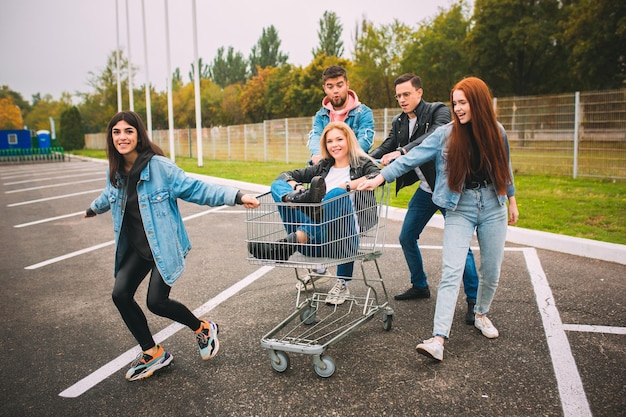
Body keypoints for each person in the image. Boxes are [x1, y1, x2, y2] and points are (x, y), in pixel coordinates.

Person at [84, 111, 259, 381]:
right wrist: (93, 209)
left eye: (128, 131)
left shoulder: (159, 168)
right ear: (111, 137)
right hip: (137, 248)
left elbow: (197, 188)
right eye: (116, 132)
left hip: (163, 246)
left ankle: (202, 328)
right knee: (120, 294)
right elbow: (109, 195)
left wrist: (237, 195)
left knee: (156, 302)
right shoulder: (115, 173)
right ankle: (152, 353)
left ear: (138, 134)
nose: (122, 137)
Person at [359, 77, 519, 361]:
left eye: (462, 103)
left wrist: (512, 201)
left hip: (493, 206)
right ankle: (438, 339)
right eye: (455, 103)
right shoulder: (446, 134)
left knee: (491, 270)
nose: (457, 109)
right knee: (450, 271)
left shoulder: (497, 131)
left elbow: (504, 167)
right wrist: (380, 177)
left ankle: (481, 314)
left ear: (478, 103)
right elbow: (412, 157)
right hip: (460, 206)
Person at [369, 73, 479, 325]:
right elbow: (385, 147)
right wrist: (362, 160)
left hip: (450, 189)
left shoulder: (438, 111)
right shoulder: (399, 122)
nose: (402, 99)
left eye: (406, 94)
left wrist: (403, 150)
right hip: (427, 191)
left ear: (419, 92)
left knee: (461, 247)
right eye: (398, 96)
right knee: (406, 236)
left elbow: (437, 135)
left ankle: (473, 301)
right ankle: (420, 285)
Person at [249, 121, 381, 305]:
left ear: (349, 140)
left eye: (339, 139)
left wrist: (347, 185)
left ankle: (289, 245)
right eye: (329, 141)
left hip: (341, 240)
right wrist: (296, 188)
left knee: (336, 193)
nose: (334, 145)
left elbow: (377, 177)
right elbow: (285, 175)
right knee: (276, 185)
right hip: (314, 241)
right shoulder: (323, 167)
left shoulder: (362, 164)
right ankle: (297, 202)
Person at [307, 65, 375, 165]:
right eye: (330, 87)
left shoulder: (363, 112)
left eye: (339, 85)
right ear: (324, 88)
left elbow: (365, 140)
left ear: (347, 84)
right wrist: (317, 154)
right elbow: (316, 136)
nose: (335, 91)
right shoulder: (321, 115)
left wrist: (343, 157)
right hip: (327, 167)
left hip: (355, 167)